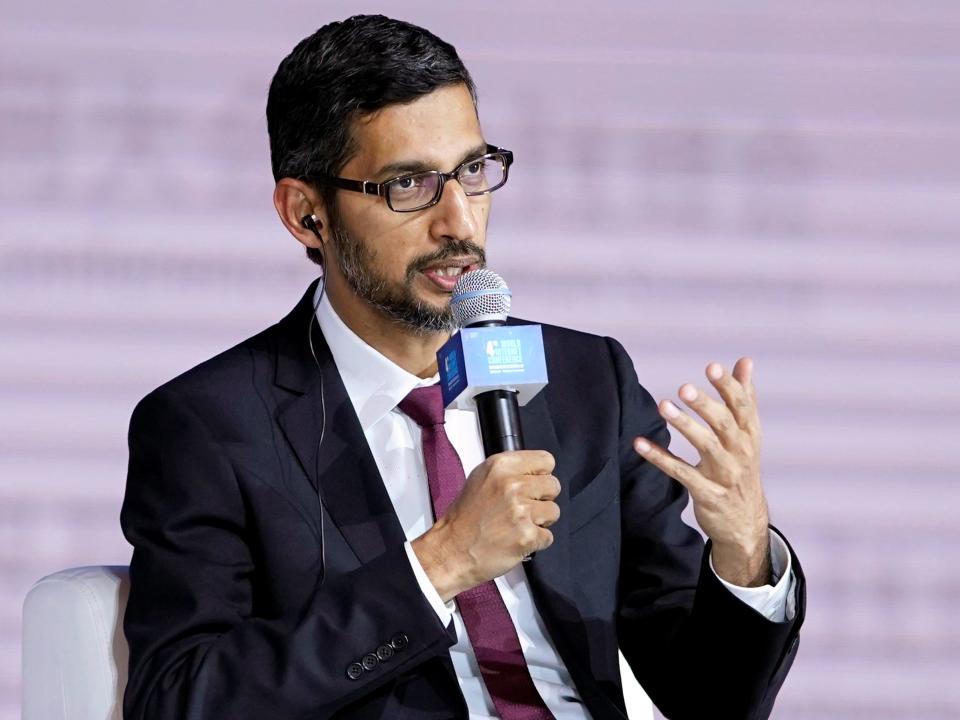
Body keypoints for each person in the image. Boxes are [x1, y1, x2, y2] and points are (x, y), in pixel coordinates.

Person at [120, 14, 805, 720]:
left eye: (473, 172)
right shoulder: (212, 425)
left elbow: (706, 699)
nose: (460, 223)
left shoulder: (585, 382)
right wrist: (440, 563)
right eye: (409, 185)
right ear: (306, 214)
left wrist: (743, 555)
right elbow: (180, 700)